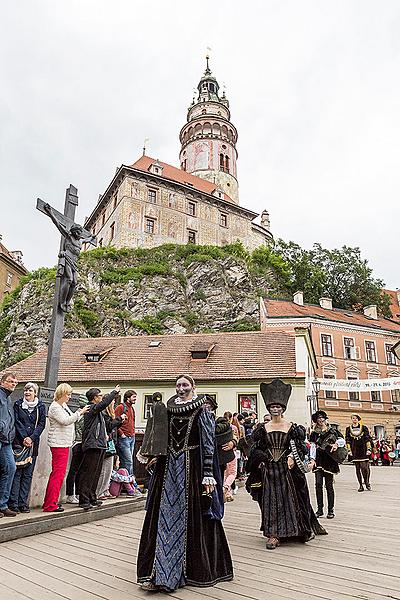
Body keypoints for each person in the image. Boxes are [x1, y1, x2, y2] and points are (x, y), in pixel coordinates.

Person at [137, 374, 233, 592]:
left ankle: (186, 571)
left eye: (185, 385)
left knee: (193, 516)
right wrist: (154, 454)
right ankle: (159, 573)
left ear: (193, 387)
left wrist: (208, 473)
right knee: (163, 516)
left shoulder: (203, 410)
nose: (181, 388)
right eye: (178, 385)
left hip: (193, 467)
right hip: (168, 468)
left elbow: (208, 443)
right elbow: (160, 436)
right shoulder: (168, 408)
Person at [246, 379, 326, 550]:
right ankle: (273, 534)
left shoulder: (292, 427)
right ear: (269, 408)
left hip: (286, 470)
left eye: (278, 407)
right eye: (272, 407)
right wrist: (260, 461)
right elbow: (256, 448)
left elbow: (300, 446)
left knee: (289, 500)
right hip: (268, 470)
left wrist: (291, 457)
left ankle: (292, 530)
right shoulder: (262, 428)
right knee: (271, 502)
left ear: (283, 408)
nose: (275, 409)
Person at [43, 383, 90, 512]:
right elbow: (66, 421)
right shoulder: (55, 407)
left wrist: (78, 413)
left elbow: (69, 418)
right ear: (62, 394)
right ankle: (50, 504)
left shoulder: (62, 406)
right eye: (68, 394)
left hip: (64, 442)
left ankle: (51, 501)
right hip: (58, 443)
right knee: (57, 474)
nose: (69, 397)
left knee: (59, 474)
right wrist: (80, 412)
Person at [76, 385, 120, 510]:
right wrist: (114, 392)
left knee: (95, 473)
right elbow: (104, 404)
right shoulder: (91, 408)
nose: (101, 398)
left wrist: (119, 420)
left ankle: (92, 497)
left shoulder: (98, 412)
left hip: (99, 444)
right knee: (88, 473)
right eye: (100, 395)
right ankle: (84, 499)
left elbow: (108, 426)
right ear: (94, 398)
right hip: (92, 445)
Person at [9, 382, 46, 513]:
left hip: (33, 444)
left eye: (30, 390)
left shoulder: (41, 406)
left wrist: (32, 438)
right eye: (26, 390)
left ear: (35, 392)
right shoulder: (18, 405)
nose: (27, 392)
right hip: (19, 443)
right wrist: (25, 437)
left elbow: (41, 424)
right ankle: (13, 503)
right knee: (17, 473)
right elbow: (17, 421)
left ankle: (22, 503)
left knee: (28, 475)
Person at [309, 410, 345, 519]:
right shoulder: (314, 433)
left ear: (325, 419)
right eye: (318, 418)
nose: (320, 420)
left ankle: (330, 510)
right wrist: (312, 459)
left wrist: (336, 444)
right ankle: (320, 509)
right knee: (318, 484)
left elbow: (342, 440)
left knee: (329, 486)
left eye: (322, 418)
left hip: (329, 460)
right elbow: (313, 447)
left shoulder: (333, 431)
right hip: (318, 460)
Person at [96, 394, 127, 500]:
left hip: (111, 443)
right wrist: (119, 419)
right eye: (112, 401)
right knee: (104, 469)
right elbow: (109, 426)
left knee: (109, 469)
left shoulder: (110, 414)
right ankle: (99, 491)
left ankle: (105, 489)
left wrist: (120, 422)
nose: (114, 403)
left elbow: (113, 427)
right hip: (105, 443)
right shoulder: (103, 414)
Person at [0, 372, 18, 517]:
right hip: (1, 437)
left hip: (6, 441)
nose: (13, 384)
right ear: (2, 382)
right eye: (10, 381)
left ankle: (2, 504)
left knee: (10, 468)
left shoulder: (8, 398)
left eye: (15, 382)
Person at [65, 394, 88, 504]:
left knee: (78, 470)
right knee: (74, 470)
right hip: (78, 443)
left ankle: (77, 493)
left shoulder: (77, 413)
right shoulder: (80, 415)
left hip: (79, 443)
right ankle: (70, 494)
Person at [345, 414, 372, 491]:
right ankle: (360, 485)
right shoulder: (348, 429)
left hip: (363, 450)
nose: (354, 419)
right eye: (353, 418)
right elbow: (347, 440)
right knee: (357, 469)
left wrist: (369, 449)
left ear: (358, 419)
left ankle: (366, 481)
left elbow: (367, 439)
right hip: (355, 450)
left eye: (356, 418)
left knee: (365, 468)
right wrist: (349, 450)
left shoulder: (363, 428)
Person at [115, 389, 136, 475]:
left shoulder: (132, 408)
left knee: (126, 462)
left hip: (131, 437)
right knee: (128, 461)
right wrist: (121, 434)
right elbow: (115, 421)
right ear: (128, 398)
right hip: (124, 438)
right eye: (134, 397)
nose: (135, 399)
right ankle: (130, 482)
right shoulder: (120, 407)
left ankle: (124, 483)